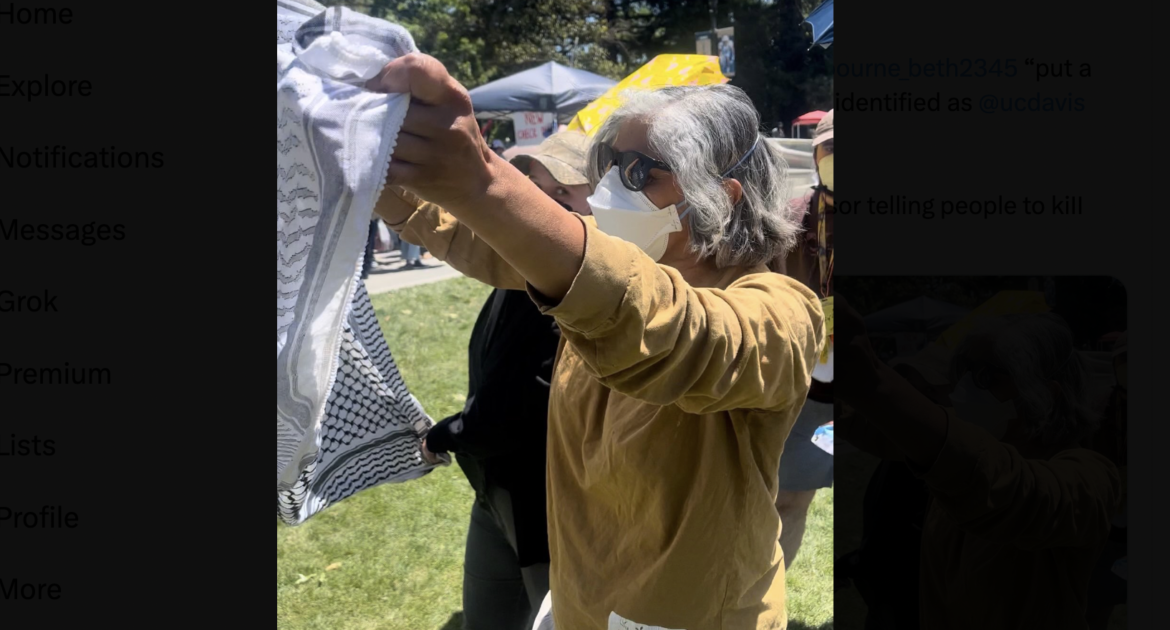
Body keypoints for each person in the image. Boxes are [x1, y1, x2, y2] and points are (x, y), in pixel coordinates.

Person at [369, 53, 823, 630]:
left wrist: (482, 179)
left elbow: (675, 333)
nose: (608, 186)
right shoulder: (624, 256)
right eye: (609, 163)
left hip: (694, 612)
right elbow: (481, 239)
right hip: (582, 595)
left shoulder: (782, 312)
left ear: (723, 193)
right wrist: (378, 171)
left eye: (639, 172)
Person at [835, 303, 1122, 630]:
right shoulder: (980, 437)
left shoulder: (1091, 479)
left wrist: (873, 379)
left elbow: (1006, 490)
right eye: (965, 370)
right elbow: (880, 426)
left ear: (1045, 394)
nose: (965, 387)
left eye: (987, 376)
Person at [419, 130, 594, 630]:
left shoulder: (580, 290)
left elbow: (517, 407)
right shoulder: (519, 267)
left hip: (550, 505)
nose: (546, 202)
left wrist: (443, 435)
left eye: (564, 190)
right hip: (496, 489)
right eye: (535, 186)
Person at [768, 109, 834, 569]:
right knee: (790, 498)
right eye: (831, 149)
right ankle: (767, 600)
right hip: (810, 383)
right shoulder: (790, 219)